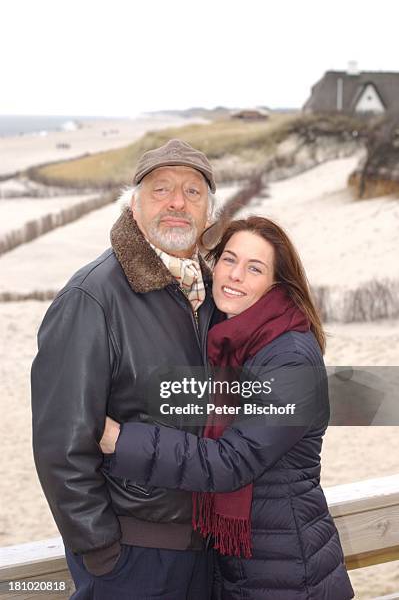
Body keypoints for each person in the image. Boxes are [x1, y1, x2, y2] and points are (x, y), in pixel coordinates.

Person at [100, 216, 355, 600]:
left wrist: (119, 440)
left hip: (288, 573)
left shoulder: (291, 358)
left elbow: (231, 462)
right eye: (229, 260)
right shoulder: (225, 340)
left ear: (276, 284)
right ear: (214, 265)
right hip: (241, 565)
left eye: (254, 268)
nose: (235, 275)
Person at [31, 139, 224, 600]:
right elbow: (61, 442)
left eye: (193, 192)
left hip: (210, 552)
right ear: (133, 206)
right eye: (161, 189)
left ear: (208, 215)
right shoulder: (92, 297)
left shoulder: (216, 293)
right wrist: (100, 551)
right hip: (135, 557)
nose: (178, 202)